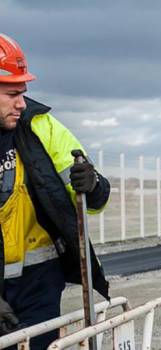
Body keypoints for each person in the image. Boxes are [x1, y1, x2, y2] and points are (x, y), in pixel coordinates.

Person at [0, 33, 110, 349]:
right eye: (11, 93)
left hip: (38, 282)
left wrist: (92, 185)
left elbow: (94, 199)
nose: (22, 102)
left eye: (23, 92)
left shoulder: (41, 127)